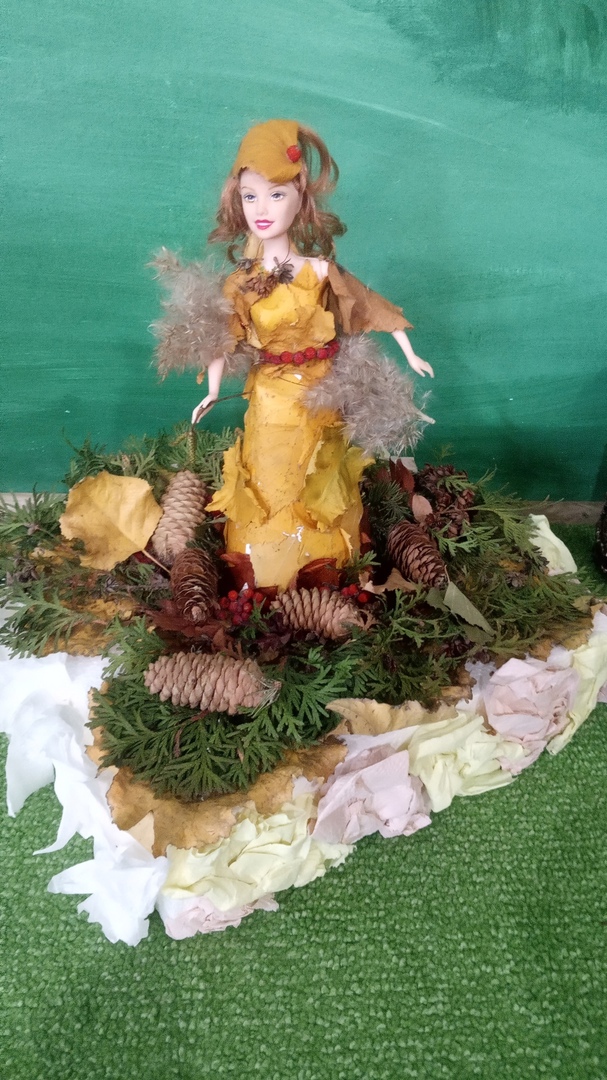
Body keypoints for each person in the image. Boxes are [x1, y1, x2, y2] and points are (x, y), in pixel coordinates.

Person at [152, 119, 434, 588]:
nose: (262, 209)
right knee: (270, 474)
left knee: (322, 473)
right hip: (270, 396)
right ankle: (264, 570)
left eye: (276, 194)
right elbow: (223, 335)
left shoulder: (319, 271)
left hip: (323, 390)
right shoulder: (241, 282)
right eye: (250, 196)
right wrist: (214, 389)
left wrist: (408, 351)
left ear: (301, 198)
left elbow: (365, 307)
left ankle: (329, 565)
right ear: (237, 201)